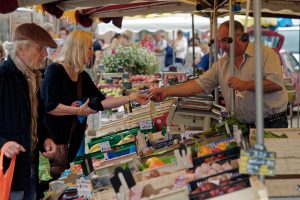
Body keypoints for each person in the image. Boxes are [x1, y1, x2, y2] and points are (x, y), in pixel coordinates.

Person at [41, 30, 149, 179]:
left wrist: (130, 97)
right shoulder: (55, 71)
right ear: (78, 48)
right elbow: (49, 106)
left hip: (71, 144)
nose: (93, 52)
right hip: (52, 146)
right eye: (89, 48)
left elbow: (101, 101)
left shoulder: (82, 76)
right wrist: (78, 111)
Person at [149, 20, 288, 128]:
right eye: (220, 42)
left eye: (226, 40)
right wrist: (167, 91)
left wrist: (246, 85)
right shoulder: (222, 64)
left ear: (241, 36)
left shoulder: (266, 54)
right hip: (243, 126)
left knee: (271, 165)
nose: (222, 46)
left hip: (272, 124)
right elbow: (198, 84)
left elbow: (275, 85)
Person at [0, 23, 57, 200]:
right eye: (40, 49)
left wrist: (45, 137)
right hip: (8, 171)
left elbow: (35, 118)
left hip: (29, 165)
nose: (45, 54)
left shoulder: (33, 76)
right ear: (20, 49)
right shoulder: (3, 75)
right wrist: (2, 143)